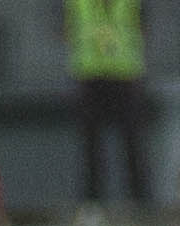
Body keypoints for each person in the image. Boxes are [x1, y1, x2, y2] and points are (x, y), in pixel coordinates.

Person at [68, 0, 152, 204]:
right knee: (91, 140)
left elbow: (143, 27)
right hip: (90, 74)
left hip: (125, 74)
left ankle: (139, 200)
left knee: (132, 138)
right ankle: (93, 200)